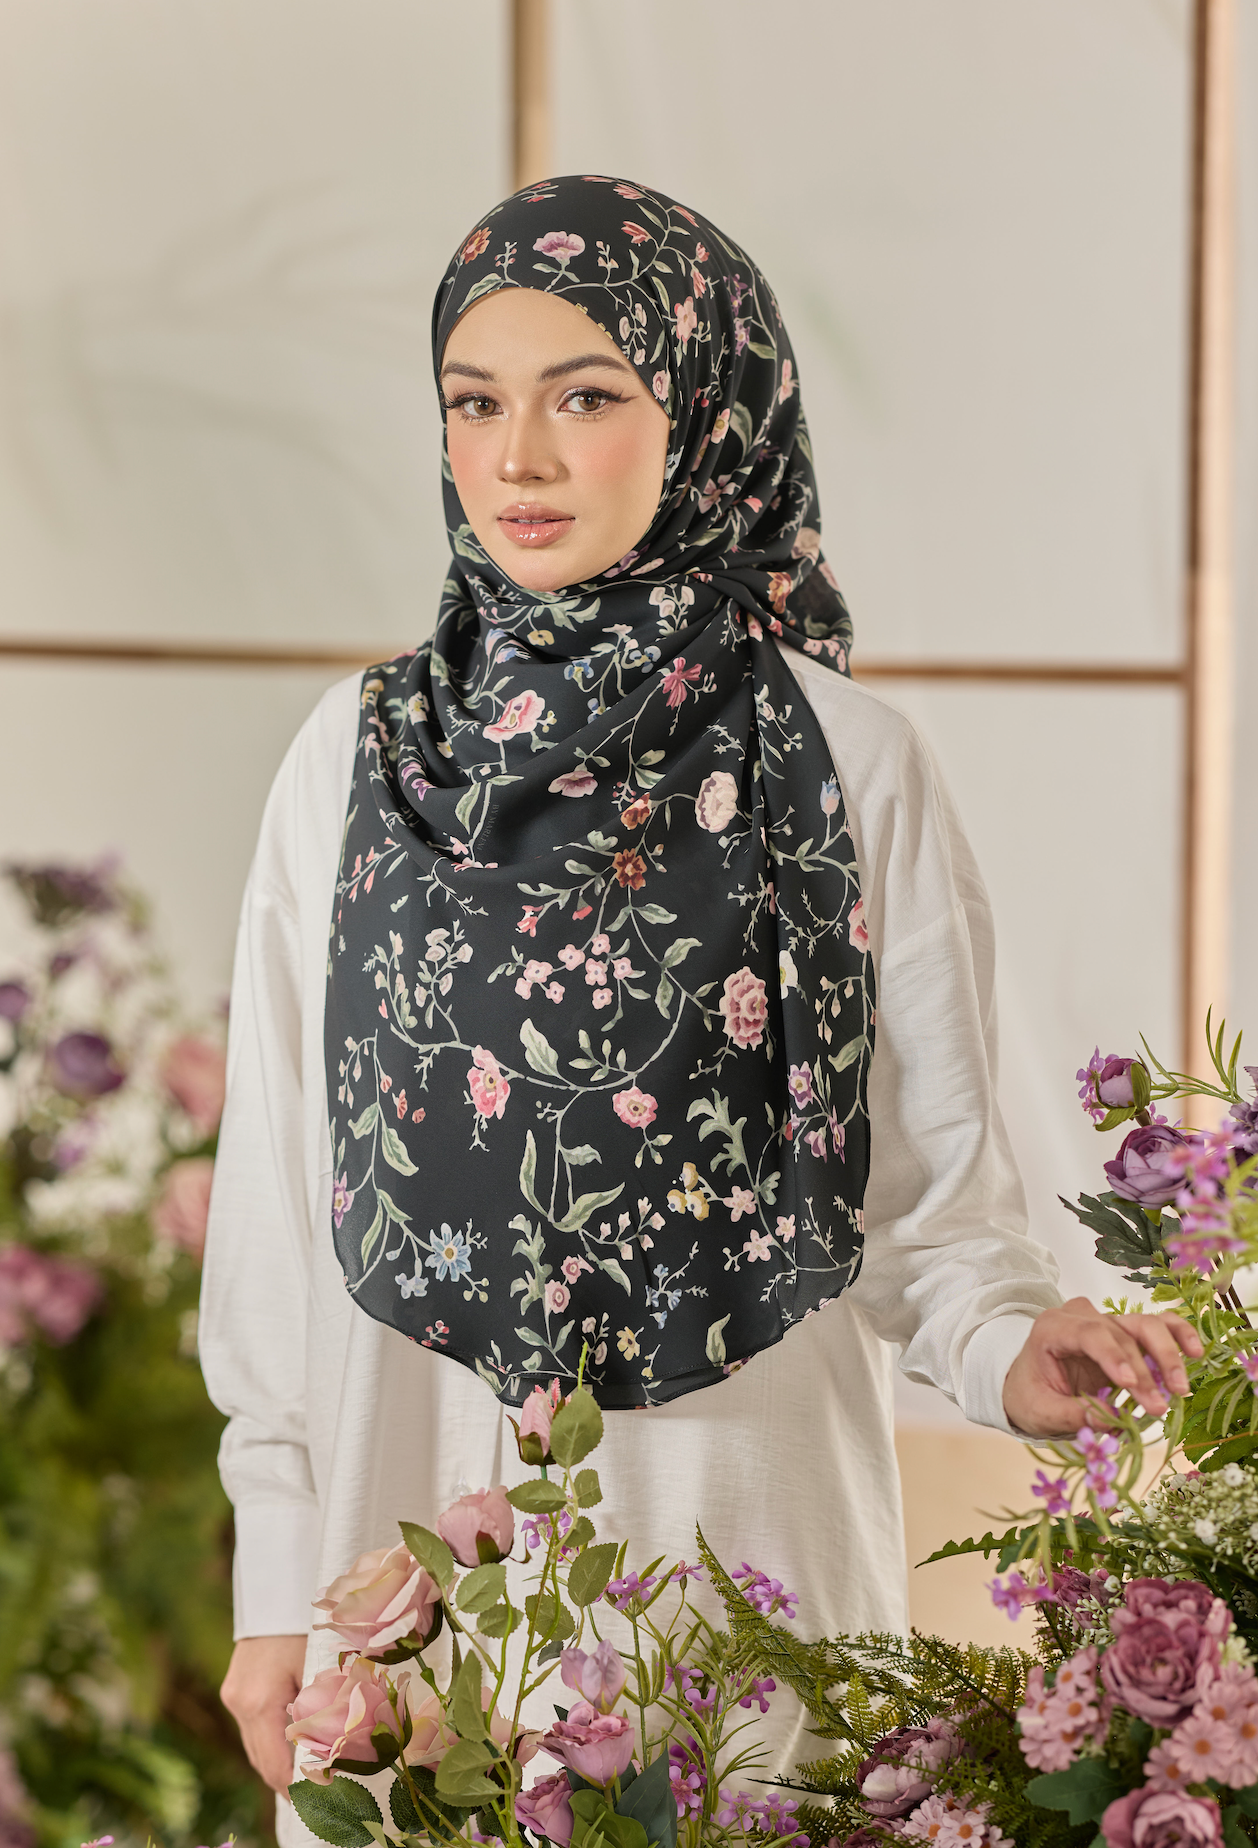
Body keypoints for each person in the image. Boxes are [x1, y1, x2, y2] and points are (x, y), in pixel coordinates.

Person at [198, 177, 1199, 1838]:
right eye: (474, 402)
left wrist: (1016, 1354)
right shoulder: (351, 762)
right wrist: (272, 1575)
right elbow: (278, 1220)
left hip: (747, 1576)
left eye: (585, 396)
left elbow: (929, 1209)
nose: (518, 458)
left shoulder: (846, 763)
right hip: (410, 1595)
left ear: (707, 411)